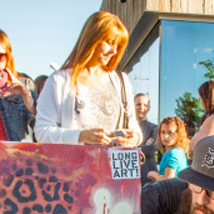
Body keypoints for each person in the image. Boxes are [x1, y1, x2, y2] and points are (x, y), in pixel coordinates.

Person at [34, 11, 142, 147]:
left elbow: (133, 126)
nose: (114, 51)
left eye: (118, 45)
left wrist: (135, 138)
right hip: (73, 166)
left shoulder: (121, 81)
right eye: (109, 42)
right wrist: (80, 136)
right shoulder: (59, 81)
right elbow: (42, 132)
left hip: (111, 166)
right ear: (91, 39)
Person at [147, 116, 190, 214]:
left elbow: (168, 180)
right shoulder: (177, 152)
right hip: (178, 200)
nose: (165, 136)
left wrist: (154, 175)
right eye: (163, 132)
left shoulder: (172, 154)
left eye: (170, 133)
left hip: (170, 201)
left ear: (178, 134)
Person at [136, 93, 160, 214]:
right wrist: (143, 146)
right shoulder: (125, 127)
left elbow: (153, 148)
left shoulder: (154, 128)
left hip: (148, 176)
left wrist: (135, 148)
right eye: (138, 104)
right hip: (129, 177)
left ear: (149, 108)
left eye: (145, 105)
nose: (142, 108)